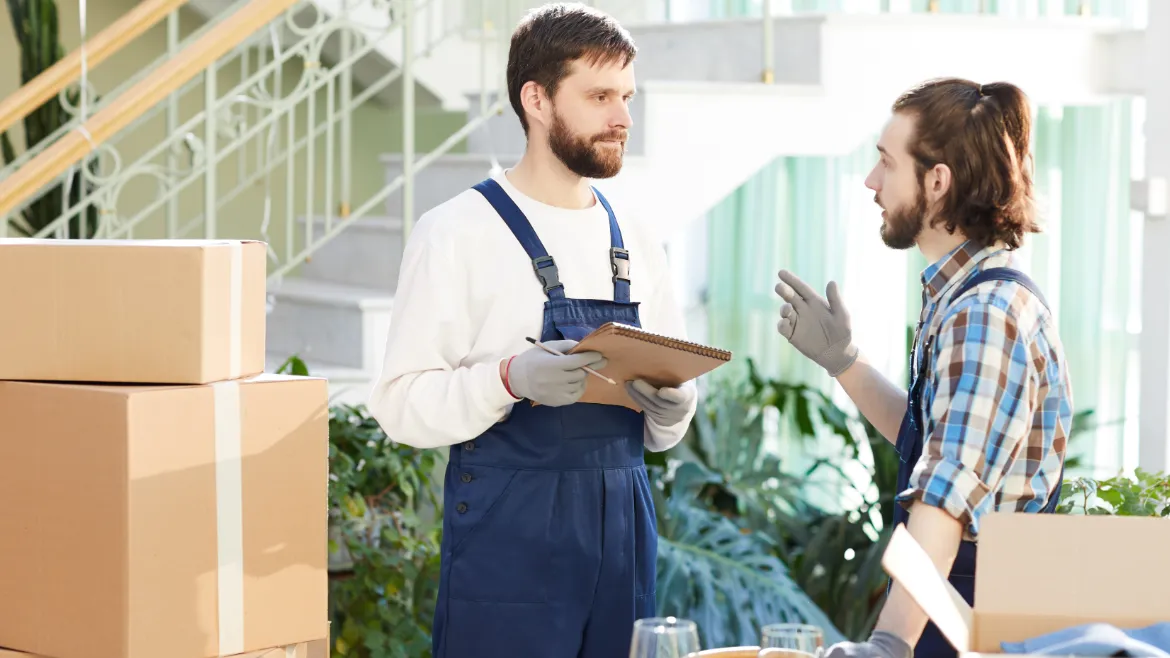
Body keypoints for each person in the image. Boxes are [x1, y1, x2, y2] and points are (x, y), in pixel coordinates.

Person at [366, 4, 697, 657]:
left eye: (627, 96)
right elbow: (398, 407)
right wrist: (508, 379)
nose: (623, 117)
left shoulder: (636, 237)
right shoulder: (456, 232)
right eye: (600, 96)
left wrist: (675, 408)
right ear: (537, 99)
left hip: (623, 538)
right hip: (508, 547)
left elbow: (663, 428)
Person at [773, 78, 1074, 658]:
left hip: (969, 626)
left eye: (887, 162)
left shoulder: (986, 314)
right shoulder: (960, 298)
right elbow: (934, 442)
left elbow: (946, 498)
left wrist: (889, 643)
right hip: (953, 613)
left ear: (938, 182)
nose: (870, 181)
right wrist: (844, 362)